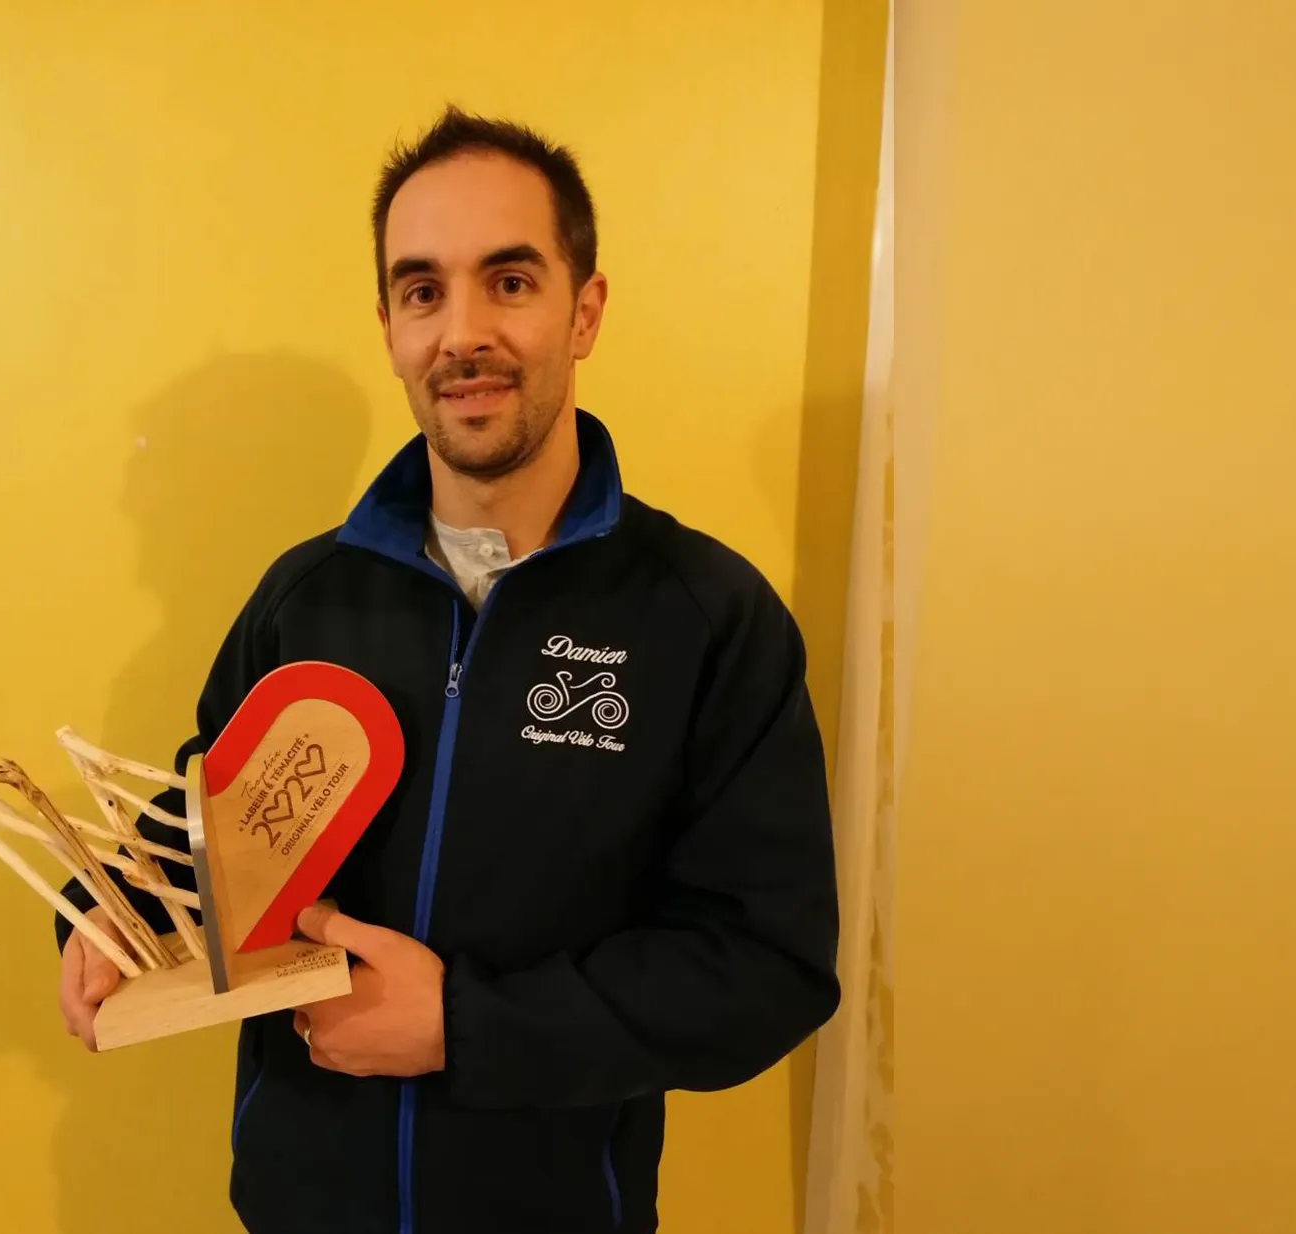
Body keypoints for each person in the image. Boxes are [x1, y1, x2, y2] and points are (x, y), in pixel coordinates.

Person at [53, 105, 840, 1234]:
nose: (461, 333)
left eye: (508, 282)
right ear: (389, 326)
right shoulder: (305, 600)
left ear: (585, 310)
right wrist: (107, 913)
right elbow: (215, 827)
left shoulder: (706, 617)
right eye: (423, 291)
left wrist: (463, 1026)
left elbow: (764, 969)